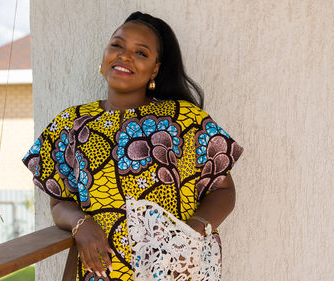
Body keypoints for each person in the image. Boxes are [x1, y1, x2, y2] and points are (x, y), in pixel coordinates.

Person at [23, 11, 243, 281]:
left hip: (173, 270)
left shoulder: (184, 119)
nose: (124, 56)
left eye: (140, 53)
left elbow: (223, 190)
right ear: (104, 56)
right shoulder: (72, 123)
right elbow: (58, 203)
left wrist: (191, 234)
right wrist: (81, 224)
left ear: (155, 69)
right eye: (117, 45)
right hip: (99, 273)